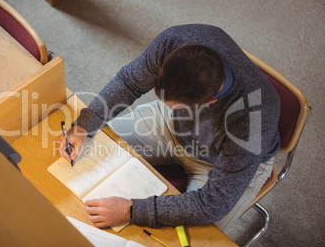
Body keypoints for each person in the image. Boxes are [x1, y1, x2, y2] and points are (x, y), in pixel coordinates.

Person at [56, 24, 280, 232]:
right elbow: (129, 83)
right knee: (88, 153)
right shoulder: (176, 40)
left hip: (223, 161)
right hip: (171, 125)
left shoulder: (254, 117)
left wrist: (132, 211)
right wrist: (83, 126)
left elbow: (214, 202)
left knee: (185, 245)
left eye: (174, 103)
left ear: (209, 102)